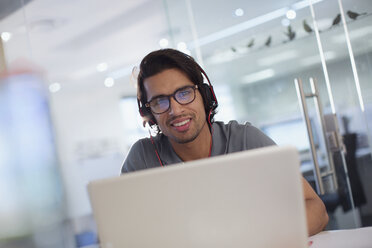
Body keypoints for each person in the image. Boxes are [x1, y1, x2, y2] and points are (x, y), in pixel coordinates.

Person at [121, 48, 328, 236]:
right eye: (159, 101)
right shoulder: (142, 158)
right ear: (148, 113)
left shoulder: (246, 140)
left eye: (184, 93)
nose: (175, 110)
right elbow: (122, 233)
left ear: (204, 95)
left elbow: (315, 209)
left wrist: (253, 239)